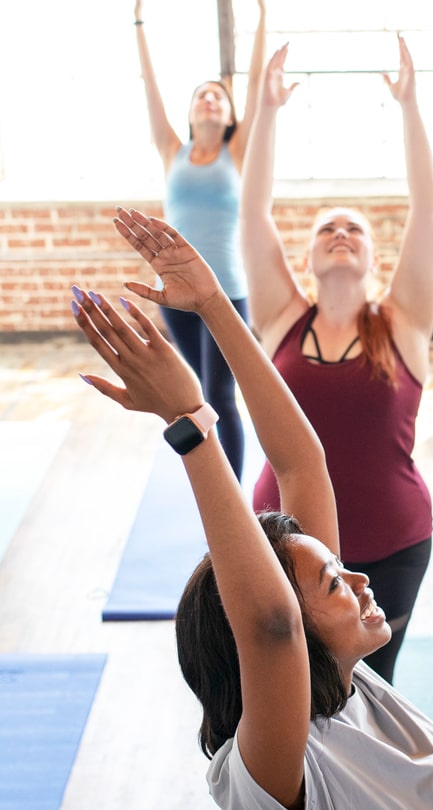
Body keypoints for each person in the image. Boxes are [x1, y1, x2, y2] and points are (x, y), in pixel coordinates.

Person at [71, 209, 433, 809]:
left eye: (336, 573)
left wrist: (213, 305)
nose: (356, 575)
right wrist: (190, 424)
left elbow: (302, 466)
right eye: (333, 582)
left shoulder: (348, 680)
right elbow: (270, 625)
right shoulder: (271, 768)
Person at [240, 38, 433, 684]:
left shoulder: (402, 324)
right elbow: (252, 210)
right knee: (289, 688)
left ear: (374, 260)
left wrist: (410, 108)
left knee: (372, 688)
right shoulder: (280, 320)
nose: (340, 234)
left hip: (392, 546)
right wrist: (265, 113)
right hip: (284, 546)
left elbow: (427, 210)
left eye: (354, 229)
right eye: (327, 228)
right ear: (307, 259)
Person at [133, 0, 267, 477]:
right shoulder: (174, 150)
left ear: (229, 113)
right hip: (174, 295)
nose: (209, 100)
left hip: (226, 292)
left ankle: (241, 515)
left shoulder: (237, 149)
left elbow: (256, 87)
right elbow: (150, 88)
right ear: (190, 114)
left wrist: (263, 17)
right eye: (201, 96)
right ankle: (219, 492)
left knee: (223, 395)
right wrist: (139, 23)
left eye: (218, 96)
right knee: (199, 398)